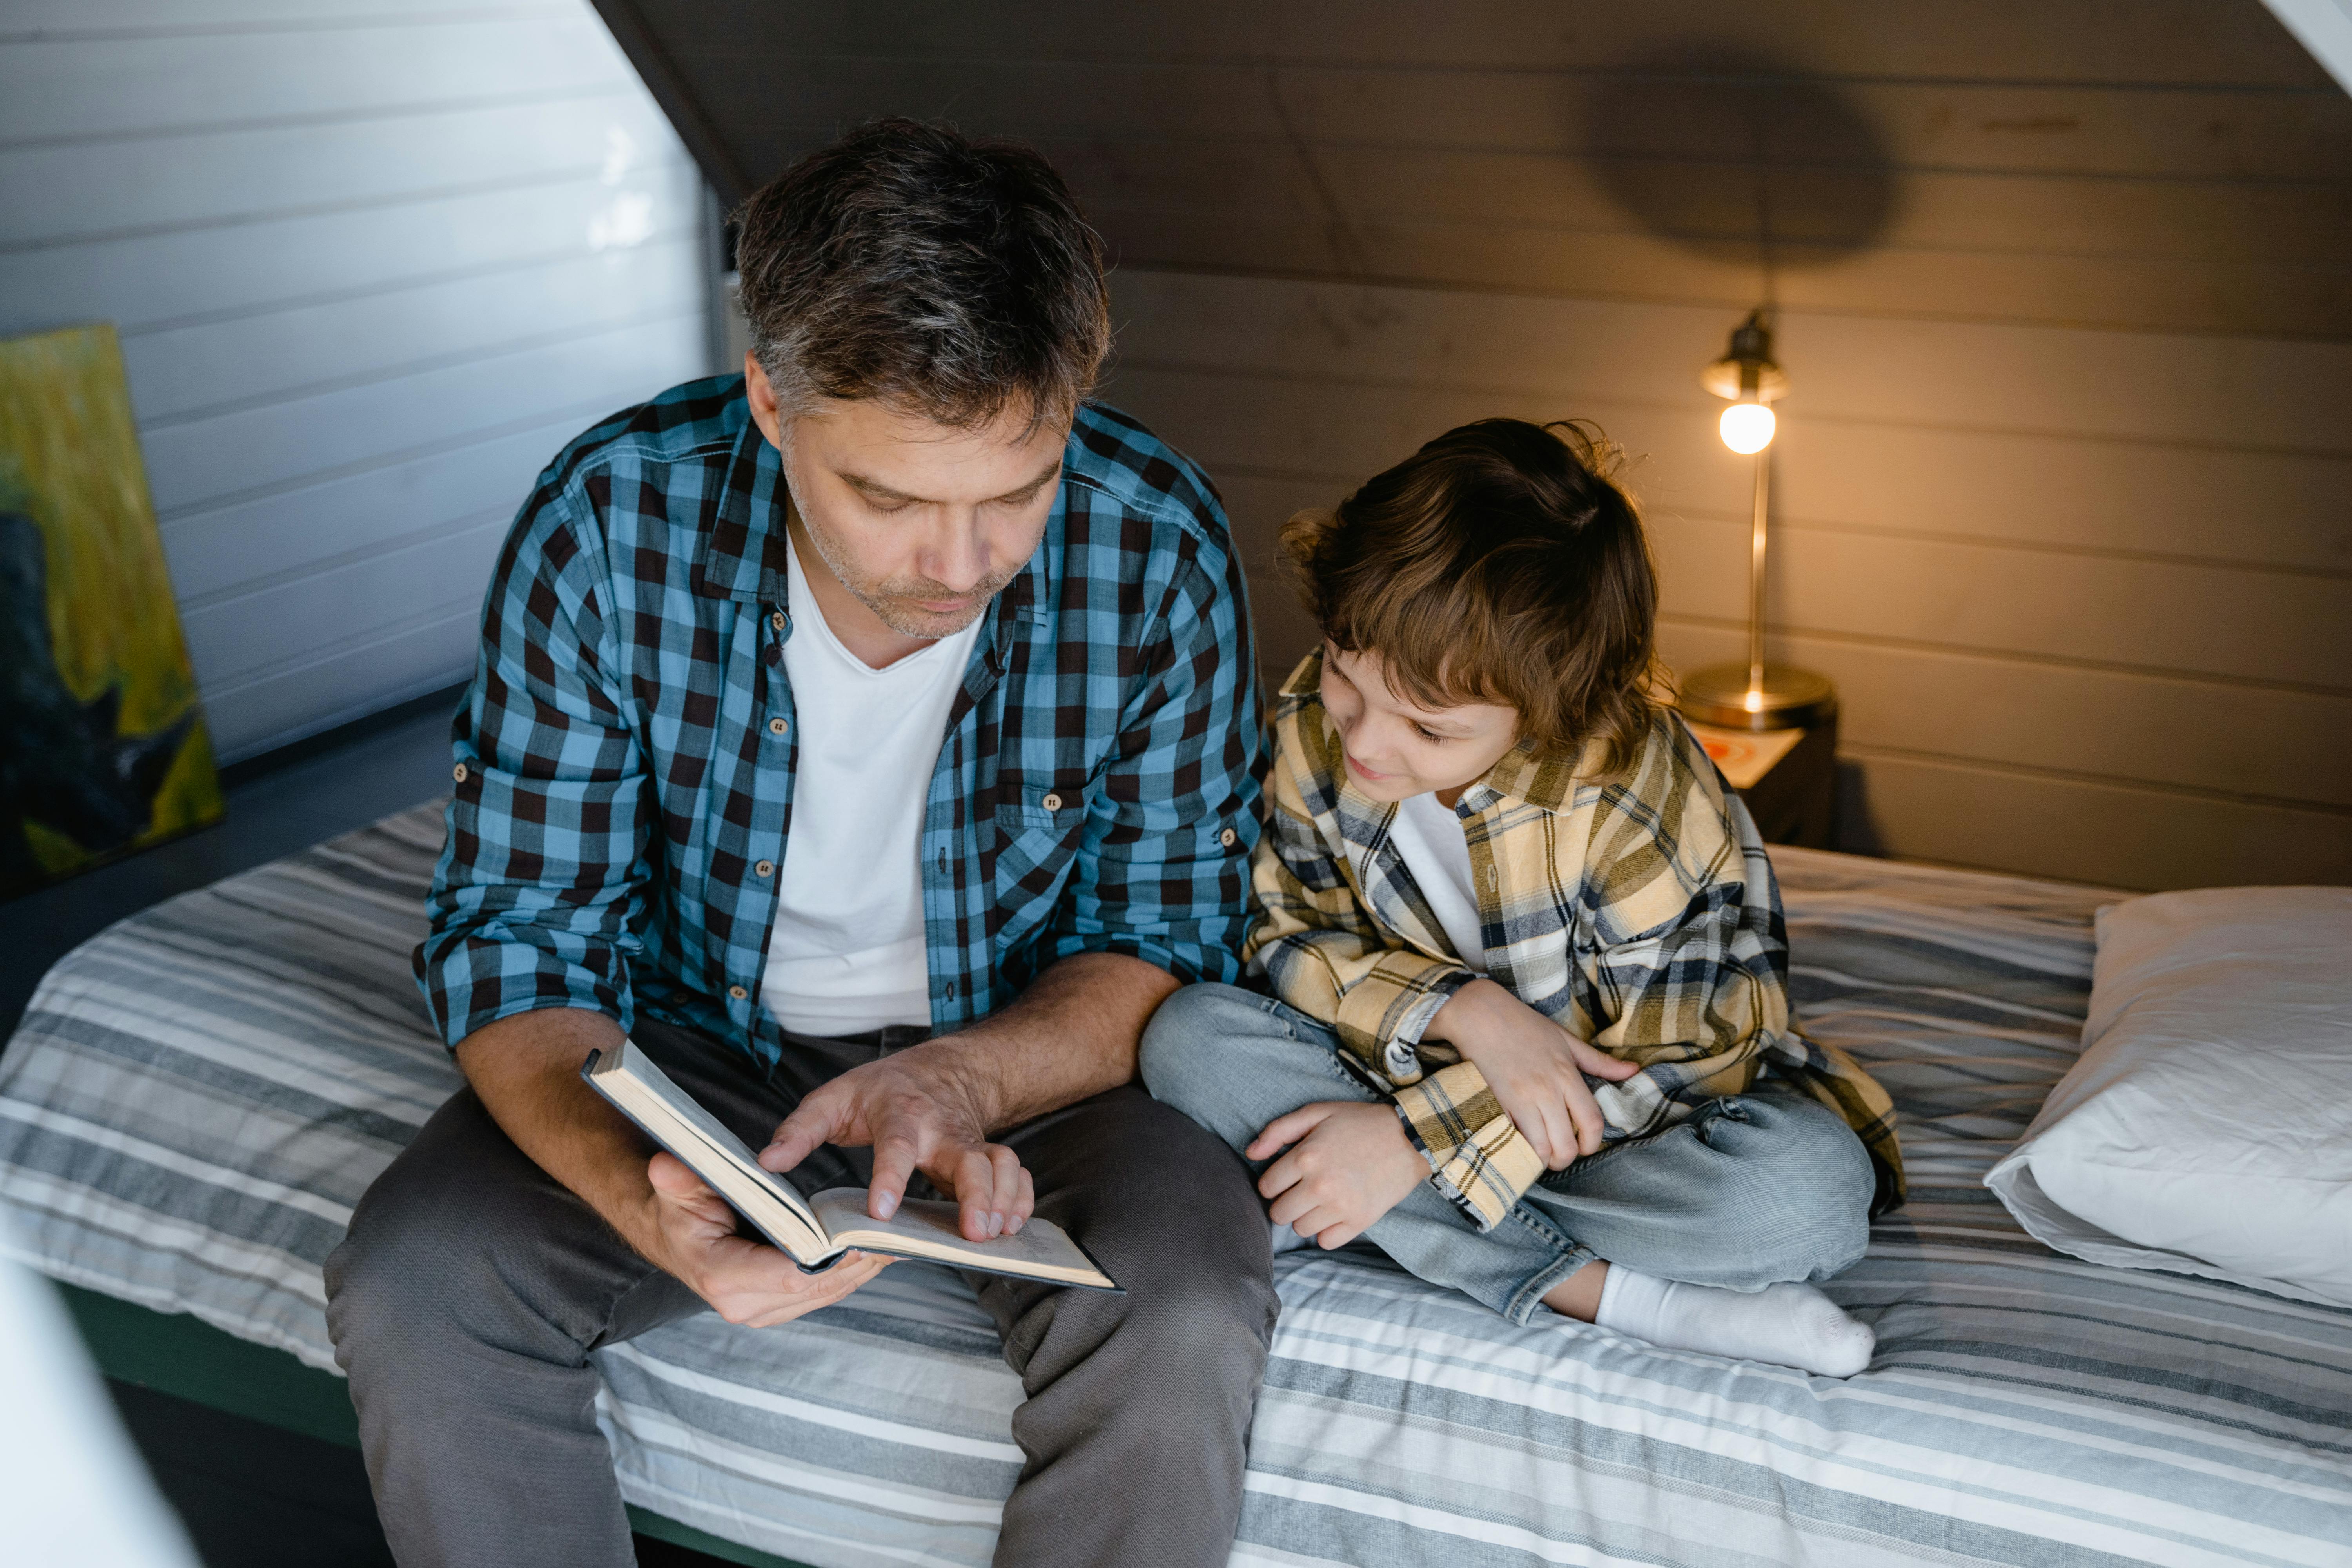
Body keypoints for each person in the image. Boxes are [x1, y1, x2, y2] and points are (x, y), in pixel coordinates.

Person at [324, 120, 1276, 1568]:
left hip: (1036, 1059)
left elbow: (1164, 940)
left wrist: (963, 1074)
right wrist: (643, 1206)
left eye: (1015, 493)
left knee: (1189, 1310)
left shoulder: (1157, 545)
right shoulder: (609, 522)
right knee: (418, 1283)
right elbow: (521, 940)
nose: (962, 571)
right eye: (889, 500)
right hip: (687, 1043)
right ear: (770, 400)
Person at [1141, 418, 1903, 1377]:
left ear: (1548, 710)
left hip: (1620, 1125)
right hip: (1388, 1069)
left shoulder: (1635, 796)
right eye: (1344, 669)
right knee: (1188, 1037)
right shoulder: (1309, 721)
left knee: (1807, 1194)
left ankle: (1365, 1204)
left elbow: (1690, 1060)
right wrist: (1473, 1012)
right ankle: (1616, 1296)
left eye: (1429, 725)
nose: (1367, 741)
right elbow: (1288, 937)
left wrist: (1415, 1146)